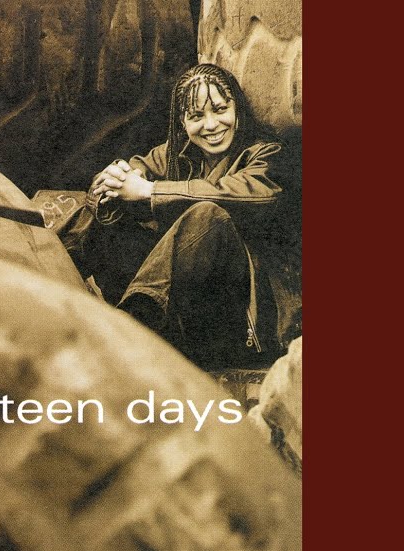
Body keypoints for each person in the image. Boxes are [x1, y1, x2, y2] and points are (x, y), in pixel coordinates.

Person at [80, 63, 296, 368]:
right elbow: (132, 170)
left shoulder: (266, 154)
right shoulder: (176, 154)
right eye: (196, 116)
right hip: (188, 321)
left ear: (237, 108)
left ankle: (129, 328)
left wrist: (150, 191)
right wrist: (113, 182)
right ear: (182, 122)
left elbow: (249, 194)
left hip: (245, 324)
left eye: (220, 110)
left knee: (207, 216)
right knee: (115, 221)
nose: (211, 125)